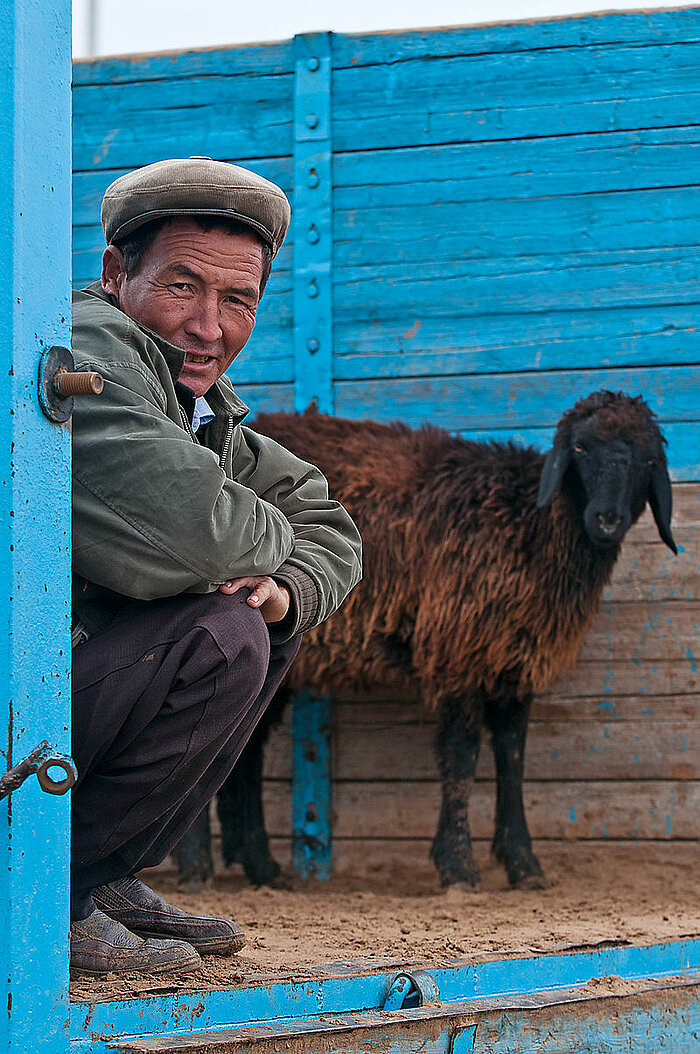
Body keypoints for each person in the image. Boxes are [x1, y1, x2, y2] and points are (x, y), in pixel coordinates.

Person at [68, 157, 362, 978]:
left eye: (238, 300)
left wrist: (287, 583)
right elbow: (204, 535)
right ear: (116, 273)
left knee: (273, 615)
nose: (209, 326)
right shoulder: (85, 352)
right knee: (227, 632)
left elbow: (332, 525)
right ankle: (43, 893)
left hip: (56, 695)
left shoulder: (203, 408)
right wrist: (257, 552)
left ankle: (96, 871)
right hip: (18, 702)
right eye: (183, 287)